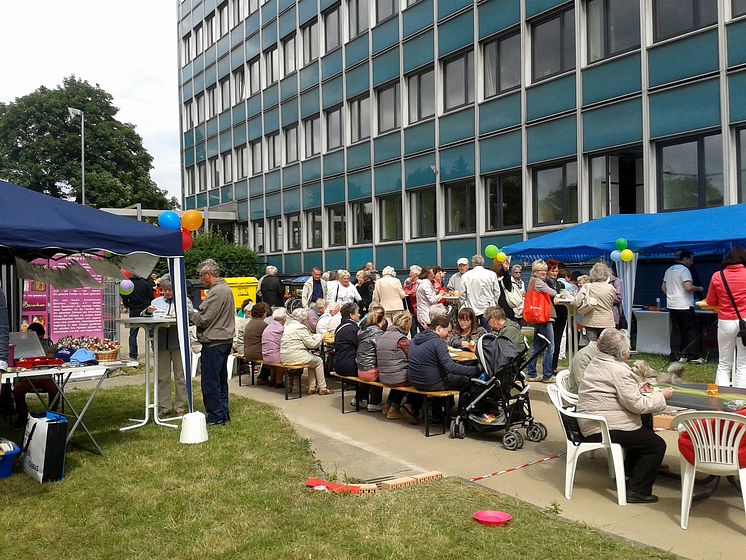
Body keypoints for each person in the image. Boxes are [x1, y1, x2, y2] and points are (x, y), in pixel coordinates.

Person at [576, 328, 672, 503]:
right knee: (656, 445)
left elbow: (616, 392)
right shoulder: (618, 370)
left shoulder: (596, 362)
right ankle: (638, 490)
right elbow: (637, 405)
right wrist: (661, 396)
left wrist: (637, 389)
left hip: (592, 420)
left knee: (643, 429)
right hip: (603, 425)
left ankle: (627, 476)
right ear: (622, 351)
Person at [189, 259, 236, 426]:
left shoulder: (218, 292)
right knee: (220, 380)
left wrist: (189, 314)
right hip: (224, 340)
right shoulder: (225, 289)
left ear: (209, 275)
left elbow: (203, 319)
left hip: (215, 341)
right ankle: (223, 414)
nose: (201, 280)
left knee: (210, 382)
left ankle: (215, 417)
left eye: (202, 276)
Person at [142, 278, 194, 416]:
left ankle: (180, 406)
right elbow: (145, 318)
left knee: (180, 376)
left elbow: (191, 314)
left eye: (170, 289)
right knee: (162, 376)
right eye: (164, 289)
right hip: (160, 343)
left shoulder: (185, 300)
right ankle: (164, 406)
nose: (167, 292)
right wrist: (148, 312)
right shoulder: (156, 301)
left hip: (178, 343)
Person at [408, 315, 480, 398]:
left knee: (453, 377)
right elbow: (451, 367)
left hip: (415, 381)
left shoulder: (415, 339)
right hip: (431, 383)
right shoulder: (438, 342)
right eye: (448, 332)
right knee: (467, 381)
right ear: (439, 328)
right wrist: (475, 370)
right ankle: (461, 410)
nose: (448, 335)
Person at [705, 247, 746, 387]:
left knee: (724, 363)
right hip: (745, 321)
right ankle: (741, 401)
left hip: (725, 321)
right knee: (743, 363)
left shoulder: (717, 276)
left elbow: (710, 302)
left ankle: (721, 398)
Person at [12, 321, 59, 427]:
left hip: (45, 377)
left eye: (42, 338)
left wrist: (51, 353)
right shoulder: (25, 346)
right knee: (17, 391)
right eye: (40, 338)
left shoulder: (46, 346)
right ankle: (23, 416)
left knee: (55, 391)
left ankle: (52, 415)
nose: (41, 340)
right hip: (29, 377)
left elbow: (51, 360)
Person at [376, 311, 420, 423]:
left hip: (384, 375)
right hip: (396, 378)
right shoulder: (401, 339)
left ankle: (388, 405)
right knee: (417, 379)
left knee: (397, 373)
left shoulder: (384, 334)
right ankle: (397, 408)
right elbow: (413, 356)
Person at [662, 249, 705, 364]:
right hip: (684, 305)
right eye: (691, 259)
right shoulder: (685, 270)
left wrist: (672, 295)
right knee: (692, 330)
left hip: (672, 305)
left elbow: (663, 288)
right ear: (685, 259)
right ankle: (693, 356)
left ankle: (674, 355)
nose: (692, 262)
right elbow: (688, 287)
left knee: (676, 330)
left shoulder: (669, 270)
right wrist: (699, 288)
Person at [280, 308, 332, 395]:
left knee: (313, 361)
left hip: (285, 357)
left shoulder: (288, 326)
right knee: (318, 361)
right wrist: (320, 338)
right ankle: (323, 387)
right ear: (304, 319)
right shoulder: (300, 328)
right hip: (296, 356)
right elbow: (312, 344)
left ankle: (312, 388)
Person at [526, 259, 560, 382]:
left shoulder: (531, 281)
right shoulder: (539, 283)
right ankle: (547, 375)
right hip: (544, 316)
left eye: (545, 270)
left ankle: (531, 373)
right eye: (541, 270)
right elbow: (553, 292)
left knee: (536, 346)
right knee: (550, 346)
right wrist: (557, 294)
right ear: (535, 271)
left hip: (536, 317)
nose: (544, 273)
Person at [574, 262, 618, 341]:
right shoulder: (611, 288)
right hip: (607, 321)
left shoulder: (588, 286)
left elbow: (577, 301)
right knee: (605, 347)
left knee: (592, 346)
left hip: (591, 321)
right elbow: (612, 302)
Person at [355, 306, 387, 411]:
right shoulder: (378, 333)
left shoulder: (363, 330)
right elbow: (382, 352)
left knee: (370, 368)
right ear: (383, 318)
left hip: (360, 369)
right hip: (370, 372)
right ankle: (374, 402)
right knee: (384, 372)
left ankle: (359, 398)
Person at [460, 254, 501, 329]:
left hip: (471, 306)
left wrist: (463, 303)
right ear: (483, 263)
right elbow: (497, 291)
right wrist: (494, 302)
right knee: (487, 331)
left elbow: (462, 294)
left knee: (472, 331)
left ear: (473, 263)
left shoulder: (465, 276)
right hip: (487, 306)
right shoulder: (492, 274)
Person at [122, 274, 154, 360]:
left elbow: (124, 297)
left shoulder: (127, 284)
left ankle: (133, 355)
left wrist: (128, 305)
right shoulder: (145, 283)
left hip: (134, 311)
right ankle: (156, 351)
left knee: (133, 334)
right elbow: (152, 298)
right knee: (151, 332)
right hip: (146, 311)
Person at [546, 260, 567, 372]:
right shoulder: (545, 283)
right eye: (552, 271)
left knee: (558, 340)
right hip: (550, 314)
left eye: (556, 271)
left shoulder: (560, 284)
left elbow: (563, 296)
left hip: (562, 313)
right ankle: (548, 366)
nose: (555, 273)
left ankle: (554, 365)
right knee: (550, 341)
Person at [333, 302, 361, 379]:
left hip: (337, 365)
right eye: (358, 313)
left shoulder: (340, 327)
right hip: (350, 367)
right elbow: (360, 346)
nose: (359, 315)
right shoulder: (353, 329)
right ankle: (363, 391)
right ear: (351, 315)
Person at [243, 302, 270, 380]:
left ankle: (265, 378)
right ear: (262, 313)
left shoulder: (250, 323)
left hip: (247, 352)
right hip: (256, 353)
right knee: (273, 355)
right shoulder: (263, 325)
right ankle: (264, 378)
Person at [262, 308, 287, 387]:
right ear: (283, 319)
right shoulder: (281, 329)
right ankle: (279, 382)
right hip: (274, 357)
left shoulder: (269, 326)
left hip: (265, 356)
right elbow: (284, 343)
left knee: (274, 351)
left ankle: (272, 380)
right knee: (284, 356)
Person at [403, 265, 422, 332]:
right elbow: (404, 290)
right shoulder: (408, 281)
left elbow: (415, 293)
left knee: (421, 327)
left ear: (416, 274)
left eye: (411, 273)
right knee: (412, 328)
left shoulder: (420, 282)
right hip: (410, 307)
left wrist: (409, 292)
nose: (409, 274)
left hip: (419, 307)